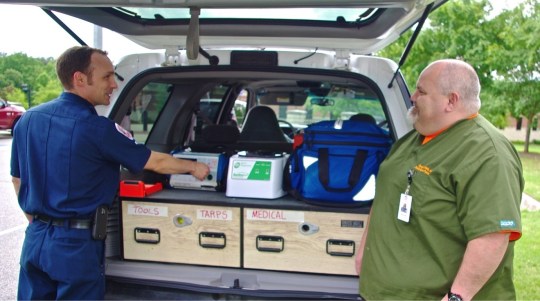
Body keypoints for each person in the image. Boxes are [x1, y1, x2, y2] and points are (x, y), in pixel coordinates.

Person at [10, 46, 210, 300]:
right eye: (106, 77)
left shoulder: (28, 119)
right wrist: (194, 167)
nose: (113, 84)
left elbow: (17, 179)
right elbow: (155, 162)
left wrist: (38, 221)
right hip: (75, 245)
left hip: (35, 239)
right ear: (79, 79)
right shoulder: (97, 129)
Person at [355, 59, 523, 301]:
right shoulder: (414, 139)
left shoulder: (486, 152)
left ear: (451, 100)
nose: (413, 97)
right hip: (380, 292)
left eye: (421, 91)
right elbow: (386, 196)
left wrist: (457, 297)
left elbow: (492, 236)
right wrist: (364, 252)